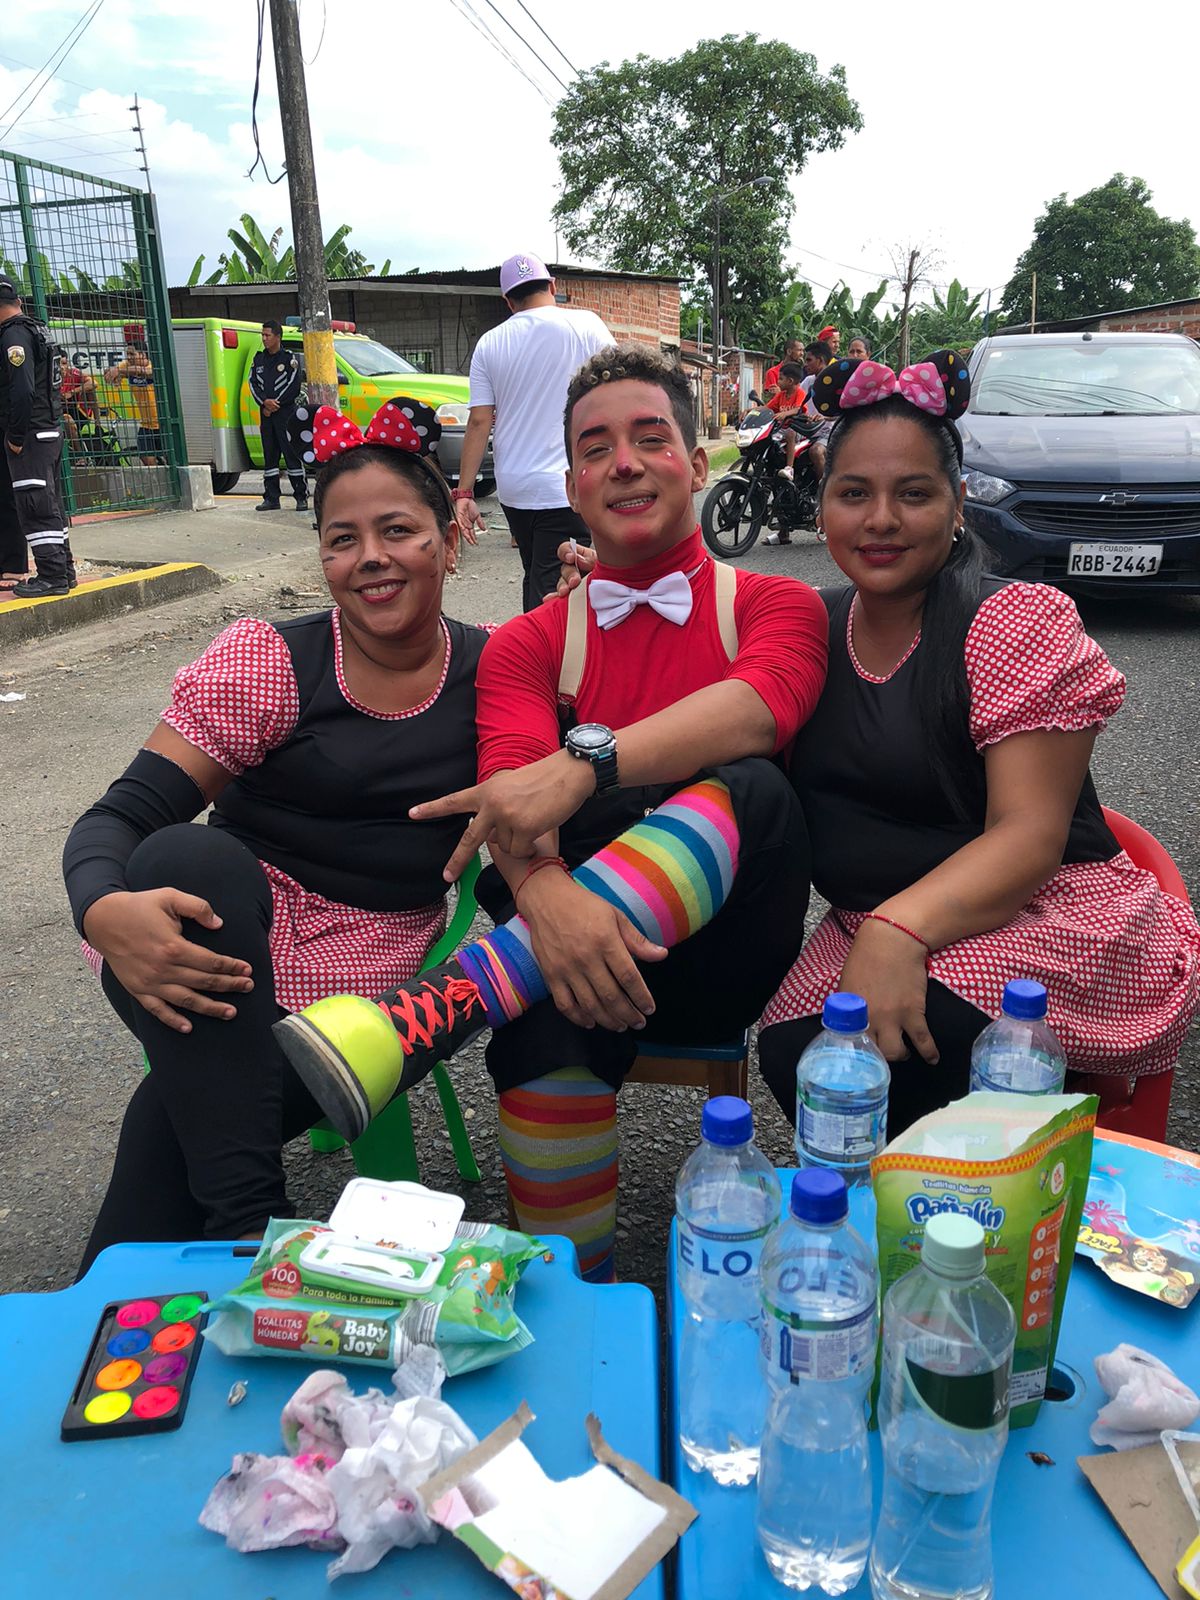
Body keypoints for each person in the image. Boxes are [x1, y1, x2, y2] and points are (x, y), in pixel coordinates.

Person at [273, 342, 829, 1283]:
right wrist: (551, 902)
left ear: (698, 466)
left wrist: (586, 764)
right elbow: (511, 803)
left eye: (650, 439)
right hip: (564, 942)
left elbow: (759, 708)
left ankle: (445, 1007)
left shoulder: (778, 605)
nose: (625, 464)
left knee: (754, 787)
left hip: (722, 955)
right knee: (540, 1026)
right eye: (595, 448)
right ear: (571, 487)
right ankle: (577, 1298)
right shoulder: (528, 642)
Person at [63, 396, 488, 1274]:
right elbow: (118, 818)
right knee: (183, 854)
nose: (370, 558)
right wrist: (101, 908)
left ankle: (231, 1230)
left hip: (372, 964)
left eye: (398, 530)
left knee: (183, 1105)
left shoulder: (497, 670)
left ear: (450, 540)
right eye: (341, 539)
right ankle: (252, 1226)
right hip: (227, 934)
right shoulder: (273, 661)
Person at [756, 350, 1200, 1138]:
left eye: (914, 493)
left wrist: (900, 929)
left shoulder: (1011, 622)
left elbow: (1029, 837)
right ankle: (878, 1209)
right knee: (801, 1051)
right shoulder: (807, 625)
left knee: (925, 1038)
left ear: (958, 504)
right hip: (869, 917)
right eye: (853, 493)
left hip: (1043, 911)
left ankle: (974, 1210)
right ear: (821, 506)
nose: (881, 519)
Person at [452, 252, 610, 611]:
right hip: (565, 487)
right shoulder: (585, 325)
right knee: (554, 592)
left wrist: (464, 492)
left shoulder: (490, 343)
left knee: (538, 575)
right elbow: (620, 388)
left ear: (508, 301)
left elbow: (479, 421)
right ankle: (540, 647)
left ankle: (540, 640)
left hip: (514, 489)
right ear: (553, 285)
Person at [0, 277, 75, 598]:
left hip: (31, 433)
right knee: (50, 504)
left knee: (35, 506)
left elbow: (22, 390)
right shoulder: (36, 329)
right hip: (48, 428)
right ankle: (64, 571)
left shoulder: (13, 336)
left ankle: (52, 577)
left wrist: (15, 436)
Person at [250, 320, 308, 513]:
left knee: (292, 456)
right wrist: (264, 402)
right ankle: (271, 498)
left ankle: (301, 497)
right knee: (270, 457)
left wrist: (275, 404)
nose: (264, 339)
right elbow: (252, 383)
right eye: (262, 335)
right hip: (266, 416)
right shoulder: (259, 360)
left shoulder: (289, 359)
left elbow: (293, 386)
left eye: (267, 335)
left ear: (278, 337)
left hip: (285, 415)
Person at [104, 332, 163, 464]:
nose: (129, 357)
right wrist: (113, 375)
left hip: (162, 422)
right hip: (146, 424)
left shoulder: (151, 366)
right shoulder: (127, 366)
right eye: (127, 354)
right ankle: (155, 474)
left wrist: (120, 372)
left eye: (132, 354)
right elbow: (109, 373)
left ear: (143, 355)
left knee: (170, 457)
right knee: (146, 457)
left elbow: (147, 372)